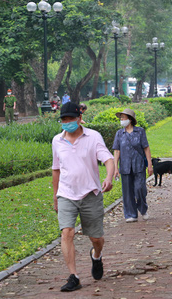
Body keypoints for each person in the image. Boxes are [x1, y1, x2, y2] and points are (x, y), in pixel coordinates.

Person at [52, 102, 115, 292]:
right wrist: (55, 196)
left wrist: (109, 177)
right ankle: (74, 276)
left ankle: (96, 256)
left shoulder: (93, 136)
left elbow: (108, 159)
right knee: (67, 232)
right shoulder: (57, 140)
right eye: (64, 119)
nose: (67, 122)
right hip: (66, 194)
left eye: (71, 118)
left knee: (96, 238)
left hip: (90, 194)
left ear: (80, 119)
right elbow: (56, 169)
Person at [112, 109, 153, 222]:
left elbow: (146, 147)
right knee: (127, 192)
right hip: (125, 166)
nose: (122, 120)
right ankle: (130, 214)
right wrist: (115, 167)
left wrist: (149, 164)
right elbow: (116, 151)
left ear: (130, 119)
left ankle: (143, 208)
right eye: (121, 118)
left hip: (138, 165)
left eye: (124, 118)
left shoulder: (140, 131)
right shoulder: (119, 133)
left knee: (140, 189)